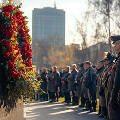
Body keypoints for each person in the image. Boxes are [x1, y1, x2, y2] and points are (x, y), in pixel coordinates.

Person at [107, 36, 120, 120]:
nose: (114, 47)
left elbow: (117, 79)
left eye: (115, 44)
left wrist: (113, 96)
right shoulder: (118, 59)